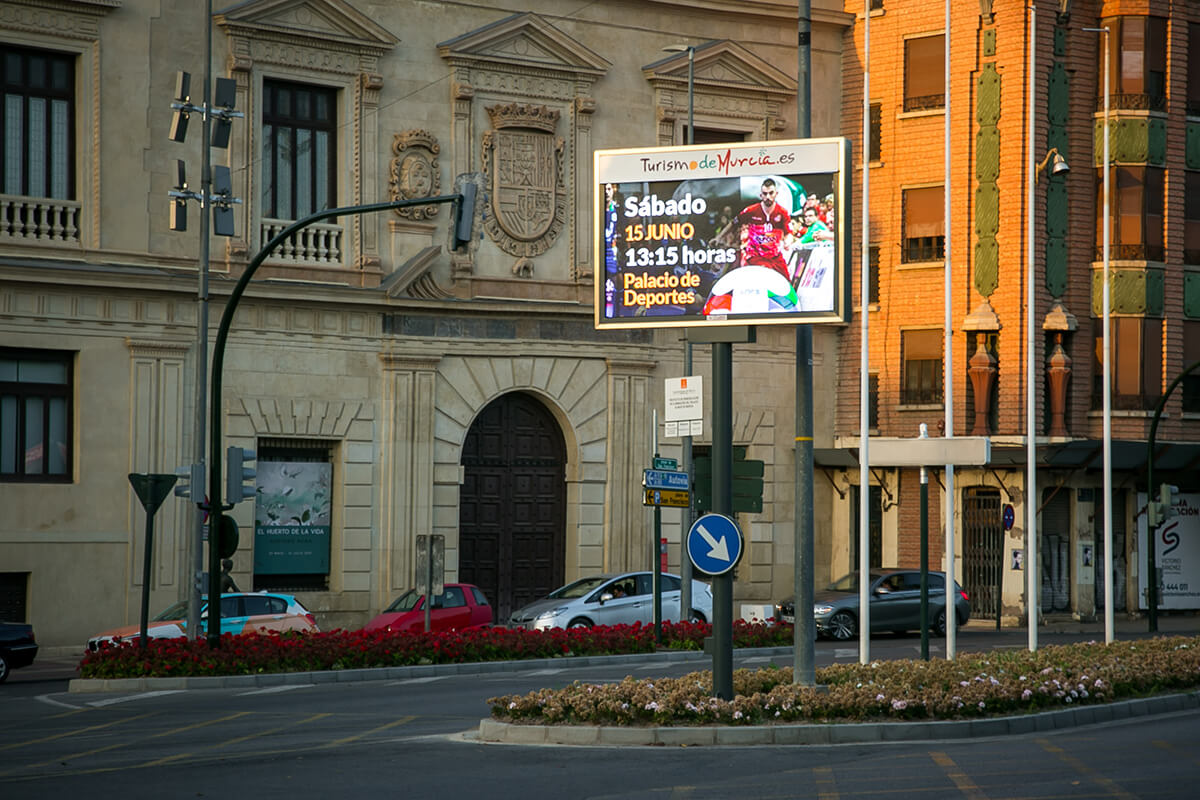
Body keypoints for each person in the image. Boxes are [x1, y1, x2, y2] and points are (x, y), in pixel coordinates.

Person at [717, 178, 794, 279]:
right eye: (765, 194)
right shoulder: (751, 211)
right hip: (755, 256)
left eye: (771, 193)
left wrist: (788, 242)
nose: (768, 197)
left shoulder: (782, 213)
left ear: (776, 194)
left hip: (775, 257)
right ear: (760, 195)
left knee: (786, 282)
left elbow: (789, 233)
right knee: (764, 277)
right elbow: (733, 223)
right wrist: (719, 237)